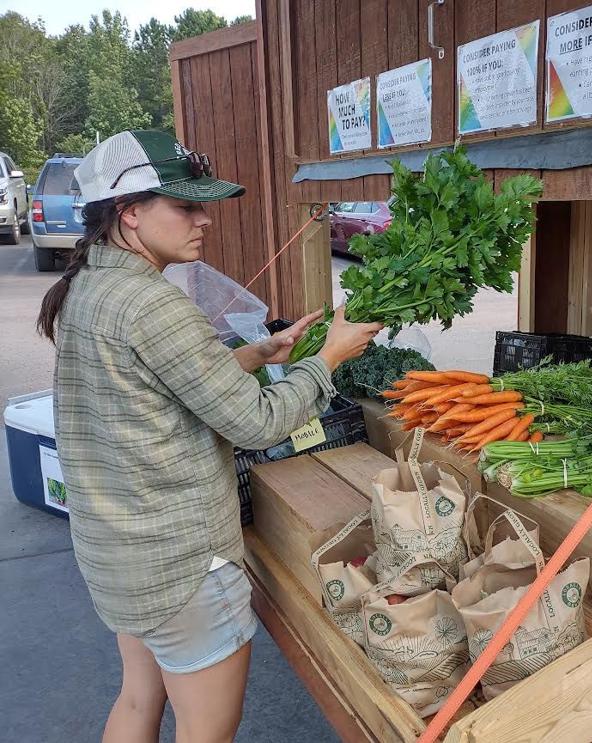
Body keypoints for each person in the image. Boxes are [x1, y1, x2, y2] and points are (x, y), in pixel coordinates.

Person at [36, 130, 382, 743]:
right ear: (131, 212)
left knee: (139, 699)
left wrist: (259, 352)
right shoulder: (152, 305)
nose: (204, 221)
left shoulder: (88, 286)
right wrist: (328, 358)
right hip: (181, 564)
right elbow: (258, 423)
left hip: (118, 552)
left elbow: (159, 386)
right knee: (208, 729)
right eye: (186, 206)